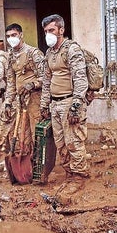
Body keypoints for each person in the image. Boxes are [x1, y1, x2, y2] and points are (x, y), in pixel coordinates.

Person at [40, 14, 90, 203]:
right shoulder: (49, 53)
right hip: (55, 104)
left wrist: (76, 106)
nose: (48, 34)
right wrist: (45, 104)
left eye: (51, 30)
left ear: (61, 30)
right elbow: (46, 80)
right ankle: (70, 173)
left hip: (70, 102)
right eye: (45, 31)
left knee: (74, 141)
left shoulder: (72, 50)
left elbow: (80, 78)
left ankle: (80, 176)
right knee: (60, 142)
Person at [2, 23, 45, 144]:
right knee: (21, 135)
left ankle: (38, 161)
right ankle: (26, 160)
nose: (11, 38)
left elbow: (46, 78)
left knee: (36, 132)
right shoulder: (10, 56)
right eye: (8, 36)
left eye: (14, 35)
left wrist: (33, 85)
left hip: (35, 99)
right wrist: (8, 102)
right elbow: (11, 82)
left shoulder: (33, 53)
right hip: (20, 100)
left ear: (21, 35)